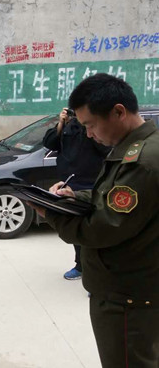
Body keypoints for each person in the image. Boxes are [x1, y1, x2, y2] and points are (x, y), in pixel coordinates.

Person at [32, 73, 159, 367]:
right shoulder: (137, 148)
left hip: (127, 298)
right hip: (130, 291)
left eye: (90, 125)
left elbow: (101, 229)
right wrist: (74, 197)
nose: (88, 134)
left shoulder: (141, 162)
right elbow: (111, 197)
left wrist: (50, 212)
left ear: (118, 112)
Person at [43, 107, 110, 280]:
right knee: (74, 227)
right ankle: (80, 265)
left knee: (92, 229)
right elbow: (49, 143)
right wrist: (61, 123)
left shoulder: (95, 128)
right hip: (69, 184)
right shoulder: (68, 126)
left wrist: (87, 127)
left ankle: (95, 271)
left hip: (91, 185)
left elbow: (105, 149)